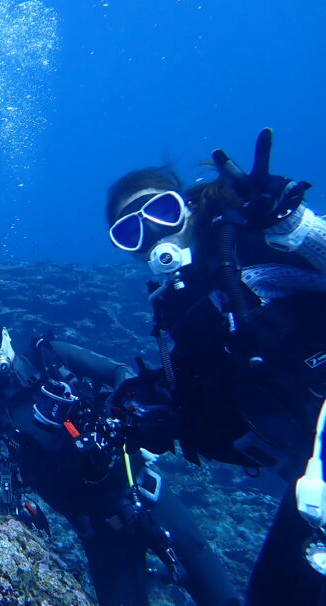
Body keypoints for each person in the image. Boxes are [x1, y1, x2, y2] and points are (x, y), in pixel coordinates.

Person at [104, 128, 326, 605]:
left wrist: (298, 229)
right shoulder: (174, 313)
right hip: (313, 481)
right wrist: (164, 414)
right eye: (131, 232)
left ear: (184, 206)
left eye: (160, 211)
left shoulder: (248, 242)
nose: (154, 234)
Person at [0, 305, 239, 606]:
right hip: (98, 532)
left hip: (144, 493)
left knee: (219, 595)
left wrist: (129, 414)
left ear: (6, 334)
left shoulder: (52, 356)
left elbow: (118, 372)